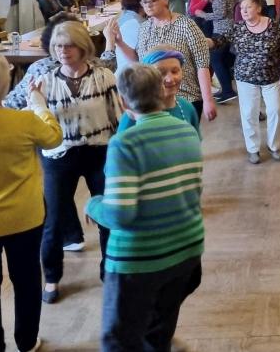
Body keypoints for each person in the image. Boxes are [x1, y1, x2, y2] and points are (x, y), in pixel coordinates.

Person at [86, 64, 204, 352]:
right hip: (187, 251)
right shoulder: (187, 130)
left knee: (120, 342)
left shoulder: (124, 143)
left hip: (140, 260)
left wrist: (93, 204)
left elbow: (119, 215)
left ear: (123, 102)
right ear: (160, 91)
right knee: (158, 333)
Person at [0, 50, 62, 352]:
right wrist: (39, 104)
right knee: (27, 279)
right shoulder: (23, 121)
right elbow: (54, 138)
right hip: (25, 217)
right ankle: (27, 341)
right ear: (5, 84)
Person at [37, 21, 124, 303]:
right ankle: (51, 278)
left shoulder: (103, 77)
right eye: (58, 46)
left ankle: (109, 271)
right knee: (53, 220)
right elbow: (37, 123)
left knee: (106, 216)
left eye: (69, 45)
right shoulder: (45, 82)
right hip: (59, 156)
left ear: (83, 47)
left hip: (99, 152)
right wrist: (34, 102)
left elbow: (118, 118)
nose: (63, 51)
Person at [104, 0, 217, 122]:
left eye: (153, 1)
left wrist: (208, 100)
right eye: (144, 2)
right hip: (153, 100)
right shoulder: (145, 28)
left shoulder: (186, 25)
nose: (148, 5)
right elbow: (139, 61)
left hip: (186, 97)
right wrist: (119, 42)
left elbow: (202, 64)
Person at [231, 0, 280, 163]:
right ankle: (253, 149)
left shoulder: (273, 26)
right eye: (241, 8)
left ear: (258, 8)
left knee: (276, 110)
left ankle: (273, 145)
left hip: (271, 77)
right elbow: (220, 40)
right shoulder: (238, 28)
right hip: (245, 77)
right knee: (249, 112)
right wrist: (207, 42)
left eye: (248, 7)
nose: (244, 11)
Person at [118, 47, 200, 136]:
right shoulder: (133, 115)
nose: (170, 79)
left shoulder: (186, 107)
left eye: (175, 71)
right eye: (161, 73)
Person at [196, 0, 238, 104]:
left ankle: (227, 90)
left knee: (215, 59)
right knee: (222, 60)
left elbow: (220, 13)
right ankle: (226, 89)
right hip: (229, 27)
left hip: (222, 29)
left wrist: (203, 15)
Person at [109, 0, 144, 74]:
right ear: (140, 3)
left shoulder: (124, 16)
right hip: (133, 73)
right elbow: (140, 57)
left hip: (121, 68)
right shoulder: (136, 22)